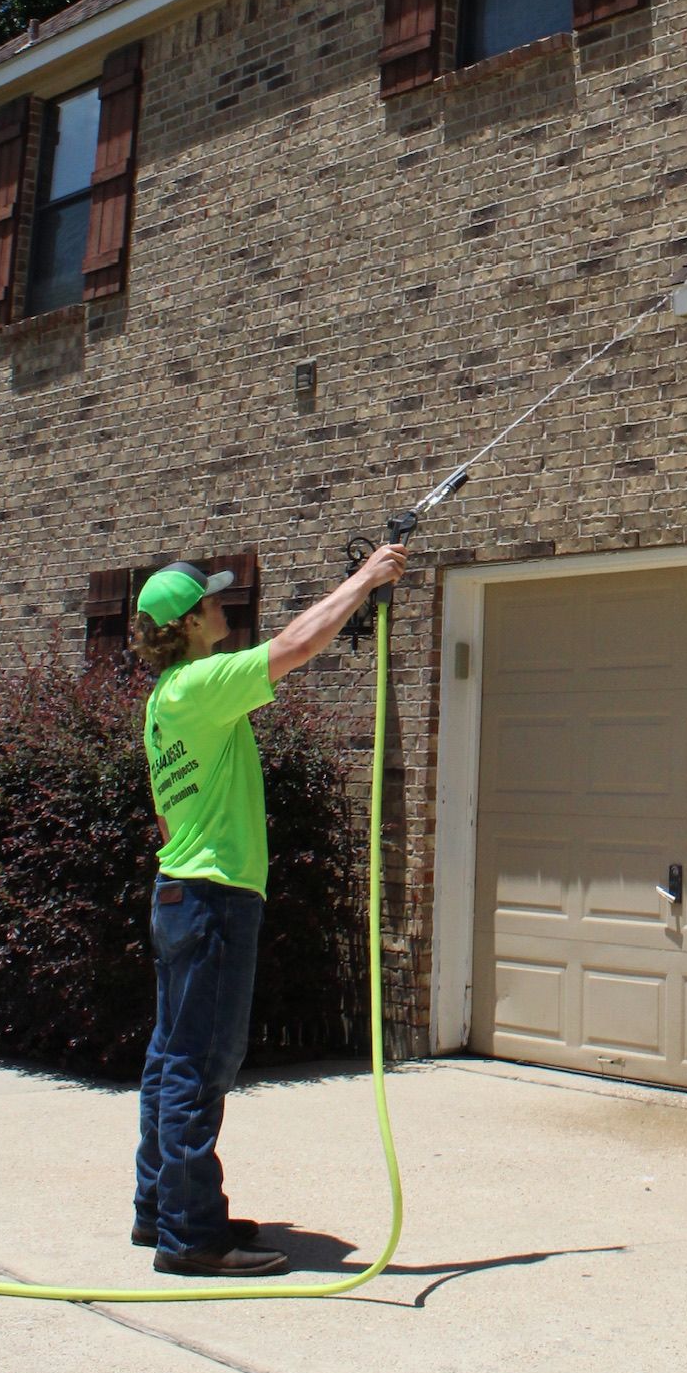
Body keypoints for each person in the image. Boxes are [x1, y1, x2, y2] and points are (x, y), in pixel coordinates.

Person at [129, 541, 408, 1276]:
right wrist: (364, 579)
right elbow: (295, 645)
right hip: (214, 898)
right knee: (200, 1065)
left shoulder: (163, 704)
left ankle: (162, 1208)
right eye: (213, 601)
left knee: (168, 1059)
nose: (225, 606)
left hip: (179, 892)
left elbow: (164, 819)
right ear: (189, 622)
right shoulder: (201, 685)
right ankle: (192, 1237)